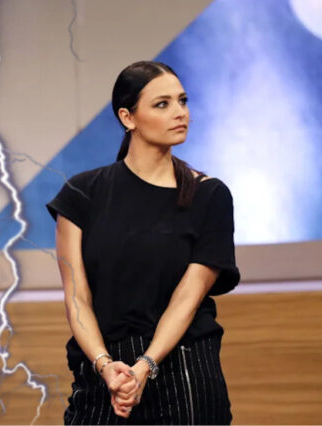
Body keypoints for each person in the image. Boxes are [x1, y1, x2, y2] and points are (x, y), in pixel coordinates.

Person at [47, 61, 239, 424]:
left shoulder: (209, 195)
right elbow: (77, 297)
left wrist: (145, 365)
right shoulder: (81, 194)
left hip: (182, 369)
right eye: (162, 104)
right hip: (104, 372)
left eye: (182, 101)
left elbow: (188, 297)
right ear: (128, 117)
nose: (180, 112)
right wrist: (105, 365)